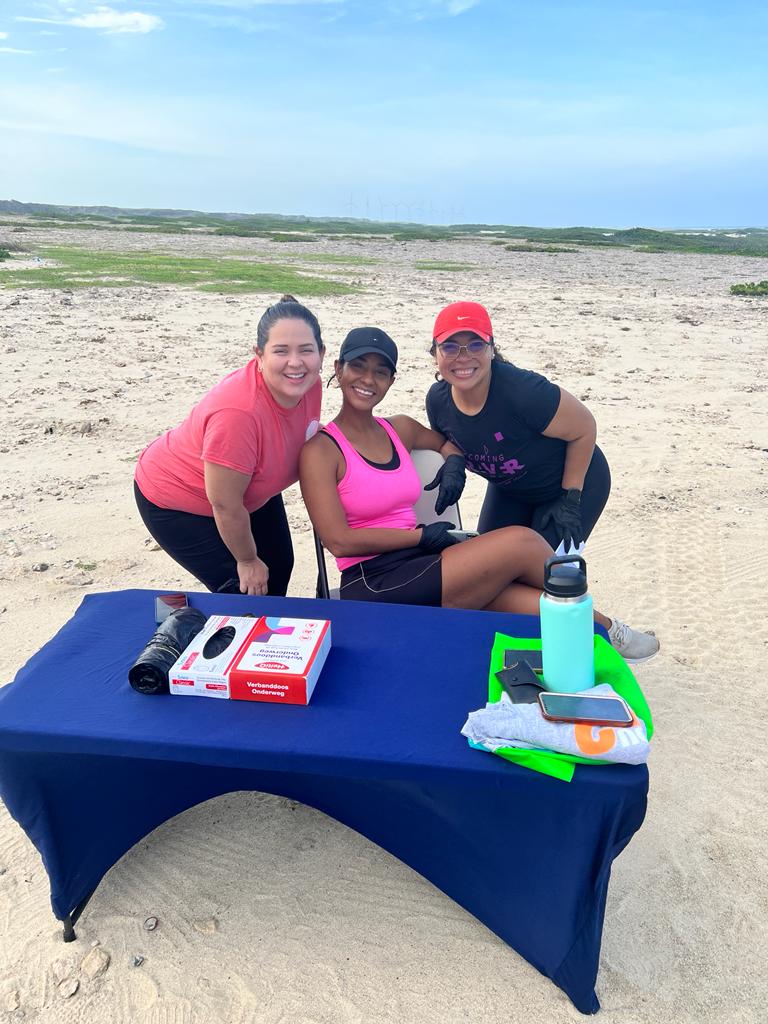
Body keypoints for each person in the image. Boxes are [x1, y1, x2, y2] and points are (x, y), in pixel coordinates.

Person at [299, 328, 659, 662]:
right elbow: (339, 541)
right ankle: (610, 631)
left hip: (417, 561)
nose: (368, 379)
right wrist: (423, 535)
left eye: (380, 372)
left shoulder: (399, 429)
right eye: (358, 367)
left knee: (530, 600)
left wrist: (454, 464)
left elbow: (446, 443)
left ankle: (604, 634)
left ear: (391, 380)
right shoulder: (322, 449)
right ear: (338, 369)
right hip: (373, 579)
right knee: (521, 543)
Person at [134, 295, 324, 596]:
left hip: (247, 485)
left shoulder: (309, 384)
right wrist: (246, 560)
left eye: (305, 350)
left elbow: (302, 432)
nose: (295, 363)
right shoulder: (238, 413)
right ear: (258, 356)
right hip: (178, 497)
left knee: (278, 568)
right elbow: (224, 502)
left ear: (321, 354)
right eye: (281, 351)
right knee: (243, 587)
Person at [425, 301, 611, 552]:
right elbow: (443, 442)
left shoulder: (523, 392)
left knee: (547, 573)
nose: (463, 356)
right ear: (435, 354)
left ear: (491, 349)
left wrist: (571, 499)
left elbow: (584, 428)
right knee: (487, 565)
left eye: (476, 345)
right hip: (511, 488)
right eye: (449, 347)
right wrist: (454, 461)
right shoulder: (438, 402)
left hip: (573, 483)